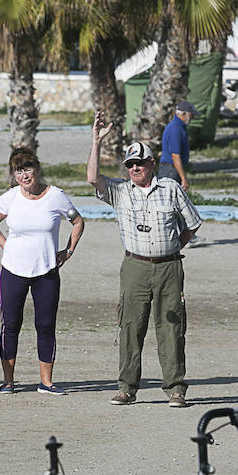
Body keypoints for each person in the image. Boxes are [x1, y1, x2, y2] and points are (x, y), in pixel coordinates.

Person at [87, 111, 202, 408]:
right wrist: (96, 142)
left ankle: (175, 388)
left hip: (168, 267)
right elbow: (92, 178)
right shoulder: (120, 191)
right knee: (129, 327)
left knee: (171, 328)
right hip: (135, 266)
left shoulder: (171, 189)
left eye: (140, 163)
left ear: (152, 163)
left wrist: (173, 247)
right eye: (130, 164)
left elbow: (191, 224)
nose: (135, 168)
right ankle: (126, 387)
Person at [0, 148, 85, 395]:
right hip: (13, 271)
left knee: (46, 324)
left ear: (37, 169)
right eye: (18, 170)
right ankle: (8, 381)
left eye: (27, 169)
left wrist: (68, 251)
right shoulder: (10, 198)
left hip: (46, 271)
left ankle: (46, 382)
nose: (24, 175)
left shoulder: (56, 197)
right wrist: (6, 245)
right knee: (11, 324)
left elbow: (78, 221)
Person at [159, 100, 199, 191]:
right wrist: (183, 178)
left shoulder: (178, 127)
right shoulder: (175, 129)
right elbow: (175, 156)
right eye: (191, 115)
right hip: (170, 170)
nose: (192, 118)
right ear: (184, 113)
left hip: (171, 169)